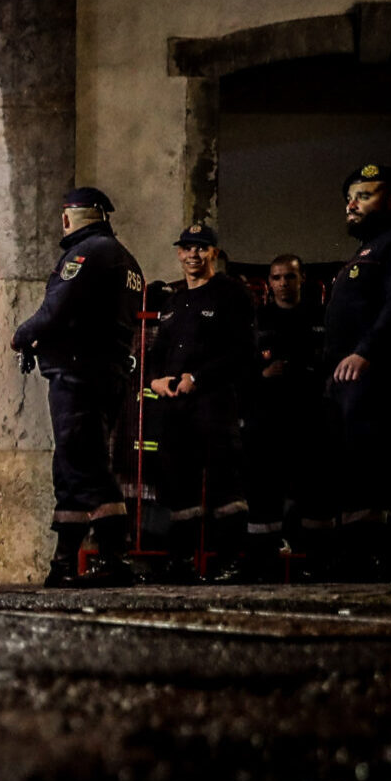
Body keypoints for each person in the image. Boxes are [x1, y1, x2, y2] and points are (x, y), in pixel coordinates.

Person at [12, 186, 144, 587]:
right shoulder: (126, 260)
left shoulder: (89, 254)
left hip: (80, 374)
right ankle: (64, 562)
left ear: (75, 216)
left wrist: (22, 334)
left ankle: (115, 558)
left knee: (85, 465)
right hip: (102, 373)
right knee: (70, 466)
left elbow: (57, 308)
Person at [306, 164, 391, 578]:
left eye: (364, 195)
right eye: (349, 198)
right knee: (351, 468)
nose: (351, 205)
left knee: (375, 467)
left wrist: (366, 352)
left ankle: (383, 558)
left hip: (378, 375)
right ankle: (356, 554)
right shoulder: (363, 251)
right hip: (345, 382)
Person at [137, 224, 254, 580]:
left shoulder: (232, 294)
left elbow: (243, 352)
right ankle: (181, 562)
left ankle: (232, 561)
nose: (193, 255)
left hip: (215, 405)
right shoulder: (173, 301)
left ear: (214, 254)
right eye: (187, 248)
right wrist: (155, 379)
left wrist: (198, 378)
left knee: (224, 484)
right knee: (177, 485)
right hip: (175, 409)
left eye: (201, 248)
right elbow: (158, 352)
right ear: (178, 253)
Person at [233, 253, 322, 580]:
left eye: (290, 277)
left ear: (302, 280)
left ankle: (313, 562)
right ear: (268, 283)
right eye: (277, 277)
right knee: (263, 491)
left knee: (312, 491)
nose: (283, 283)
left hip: (309, 418)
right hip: (266, 421)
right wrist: (262, 375)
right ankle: (263, 564)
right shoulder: (258, 321)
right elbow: (240, 369)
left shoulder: (319, 317)